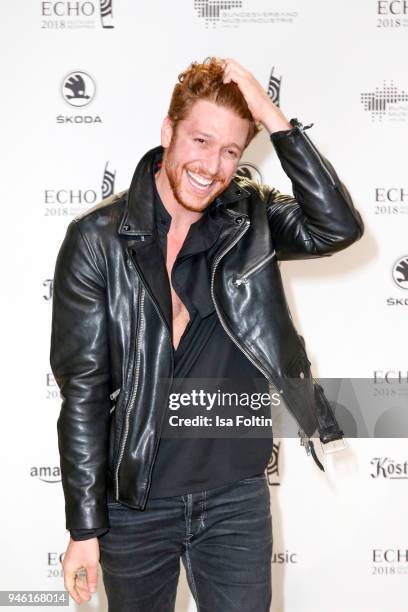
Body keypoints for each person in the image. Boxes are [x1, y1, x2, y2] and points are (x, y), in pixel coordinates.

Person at [50, 57, 364, 610]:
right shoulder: (97, 240)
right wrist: (83, 529)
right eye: (200, 139)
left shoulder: (251, 217)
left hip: (234, 499)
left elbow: (337, 226)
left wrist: (272, 116)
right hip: (135, 507)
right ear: (168, 131)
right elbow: (84, 394)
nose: (211, 165)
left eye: (230, 150)